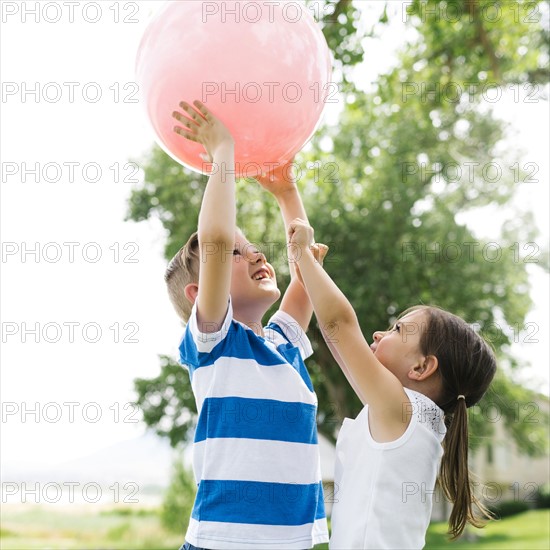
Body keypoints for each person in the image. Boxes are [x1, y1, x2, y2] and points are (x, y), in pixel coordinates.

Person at [164, 100, 329, 549]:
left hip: (292, 541)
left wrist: (286, 193)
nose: (257, 254)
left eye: (254, 246)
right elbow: (214, 240)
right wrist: (223, 151)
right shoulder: (214, 342)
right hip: (224, 540)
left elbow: (307, 270)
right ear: (201, 295)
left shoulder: (284, 344)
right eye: (239, 253)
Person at [287, 218, 497, 549]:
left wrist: (303, 255)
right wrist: (310, 277)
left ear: (422, 366)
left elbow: (340, 324)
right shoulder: (401, 414)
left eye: (397, 330)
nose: (378, 334)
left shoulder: (403, 411)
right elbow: (335, 335)